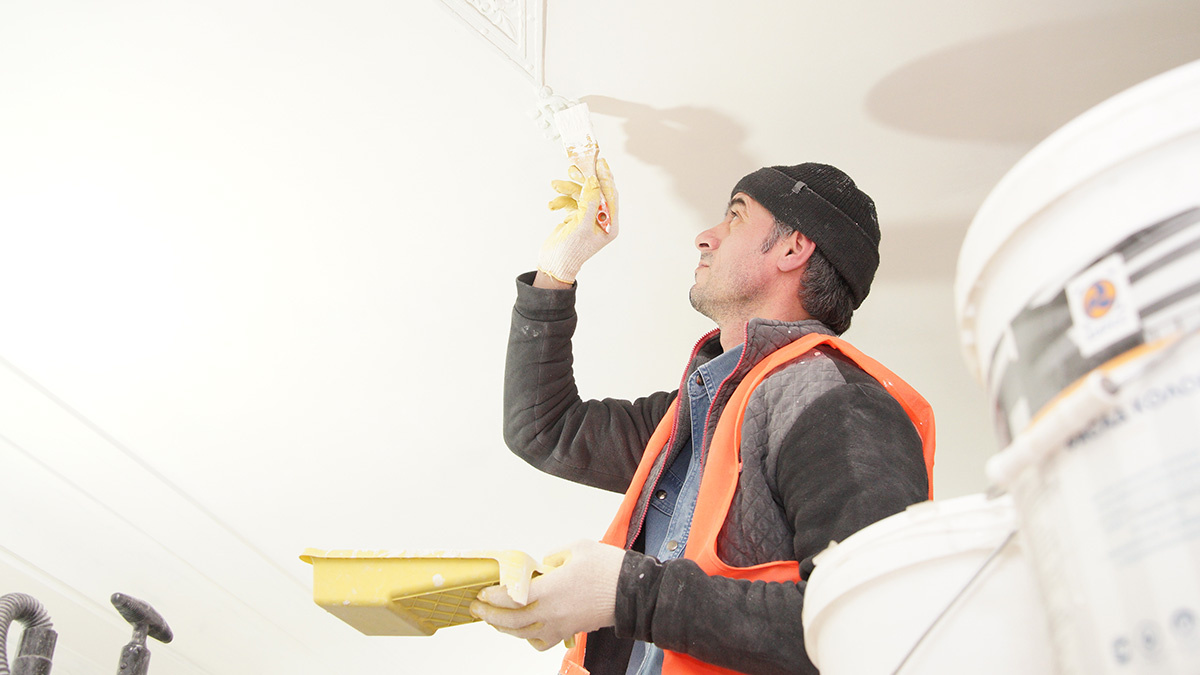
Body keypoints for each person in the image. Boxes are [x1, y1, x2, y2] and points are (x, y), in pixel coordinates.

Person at [470, 158, 935, 675]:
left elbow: (869, 622)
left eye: (736, 216)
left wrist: (626, 594)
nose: (705, 237)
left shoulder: (841, 407)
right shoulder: (705, 410)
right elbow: (543, 429)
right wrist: (558, 270)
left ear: (792, 248)